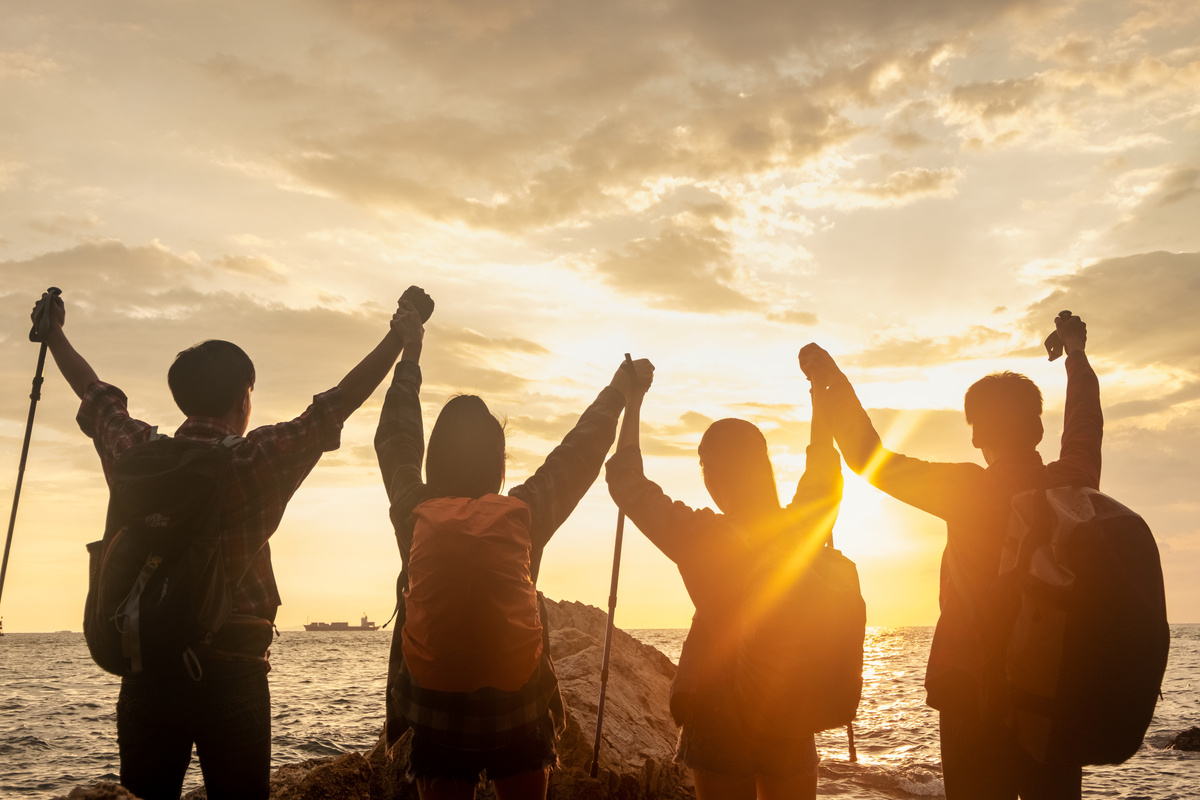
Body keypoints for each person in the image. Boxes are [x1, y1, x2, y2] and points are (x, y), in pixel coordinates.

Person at [36, 290, 415, 800]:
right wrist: (400, 337)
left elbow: (96, 394)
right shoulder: (257, 459)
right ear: (243, 398)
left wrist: (54, 332)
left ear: (182, 399)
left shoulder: (138, 453)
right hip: (235, 672)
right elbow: (336, 404)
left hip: (148, 669)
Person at [798, 312, 1098, 800]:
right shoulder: (1075, 480)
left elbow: (866, 457)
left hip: (972, 691)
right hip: (1055, 692)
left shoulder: (967, 488)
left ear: (977, 435)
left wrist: (833, 381)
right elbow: (1086, 418)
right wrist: (1076, 353)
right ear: (1039, 430)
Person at [374, 297, 653, 800]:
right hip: (517, 707)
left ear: (435, 458)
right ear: (498, 460)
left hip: (436, 709)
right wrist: (618, 392)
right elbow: (580, 451)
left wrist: (410, 354)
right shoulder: (524, 513)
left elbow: (395, 437)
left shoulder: (414, 513)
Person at [605, 355, 844, 800]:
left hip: (718, 713)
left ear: (712, 471)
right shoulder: (800, 528)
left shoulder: (700, 536)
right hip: (788, 705)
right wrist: (818, 398)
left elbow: (625, 480)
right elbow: (825, 473)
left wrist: (633, 401)